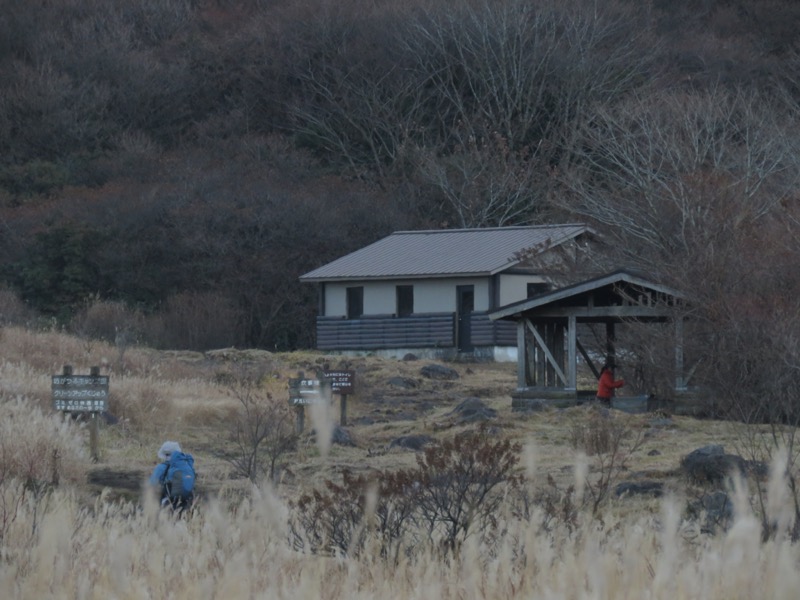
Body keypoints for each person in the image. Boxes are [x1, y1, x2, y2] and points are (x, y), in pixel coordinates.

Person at [148, 440, 196, 511]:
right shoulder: (187, 466)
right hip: (187, 503)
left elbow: (151, 484)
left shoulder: (161, 467)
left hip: (168, 502)